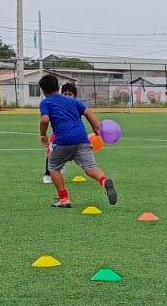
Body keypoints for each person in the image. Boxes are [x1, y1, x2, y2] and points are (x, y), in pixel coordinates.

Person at [37, 73, 116, 209]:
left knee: (54, 167)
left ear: (43, 91)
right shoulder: (72, 100)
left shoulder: (46, 102)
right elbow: (88, 112)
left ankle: (64, 199)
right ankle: (104, 181)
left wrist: (42, 134)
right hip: (82, 138)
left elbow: (44, 120)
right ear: (58, 86)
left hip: (63, 140)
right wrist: (96, 128)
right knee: (91, 167)